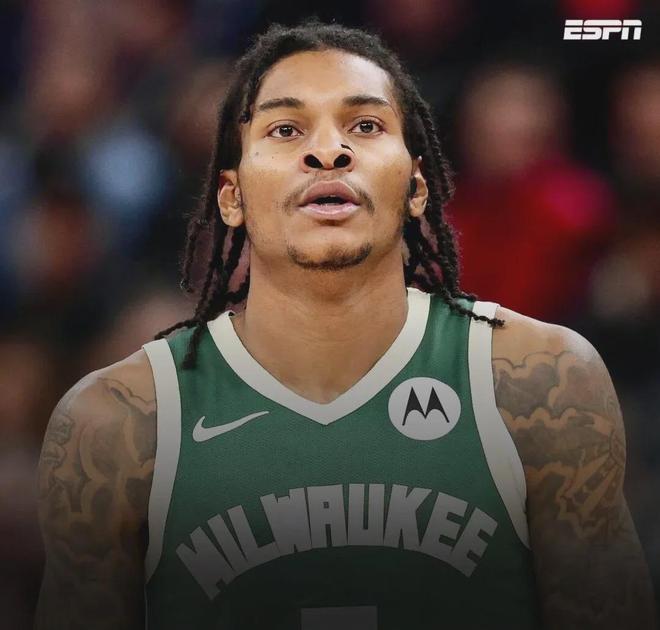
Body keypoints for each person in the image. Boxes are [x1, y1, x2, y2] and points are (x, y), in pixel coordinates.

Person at [35, 21, 656, 630]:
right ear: (231, 196)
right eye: (286, 129)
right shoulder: (116, 421)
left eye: (365, 125)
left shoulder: (541, 384)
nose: (329, 151)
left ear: (417, 185)